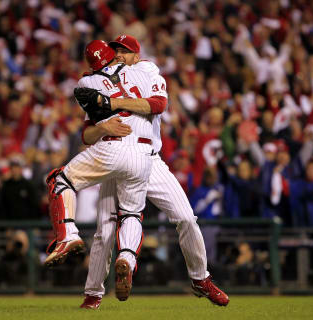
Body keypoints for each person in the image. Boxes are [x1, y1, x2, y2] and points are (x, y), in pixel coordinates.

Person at [79, 35, 229, 309]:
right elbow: (87, 134)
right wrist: (102, 122)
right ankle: (93, 294)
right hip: (116, 158)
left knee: (186, 218)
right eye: (116, 51)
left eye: (125, 51)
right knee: (104, 231)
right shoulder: (100, 82)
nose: (120, 55)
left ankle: (200, 279)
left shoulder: (145, 71)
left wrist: (113, 104)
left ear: (137, 56)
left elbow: (158, 104)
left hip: (150, 158)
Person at [44, 40, 166, 300]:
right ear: (114, 56)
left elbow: (87, 118)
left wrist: (108, 106)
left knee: (60, 179)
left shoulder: (87, 82)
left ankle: (68, 234)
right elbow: (157, 104)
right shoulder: (143, 71)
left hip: (112, 149)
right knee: (132, 213)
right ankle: (127, 258)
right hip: (144, 154)